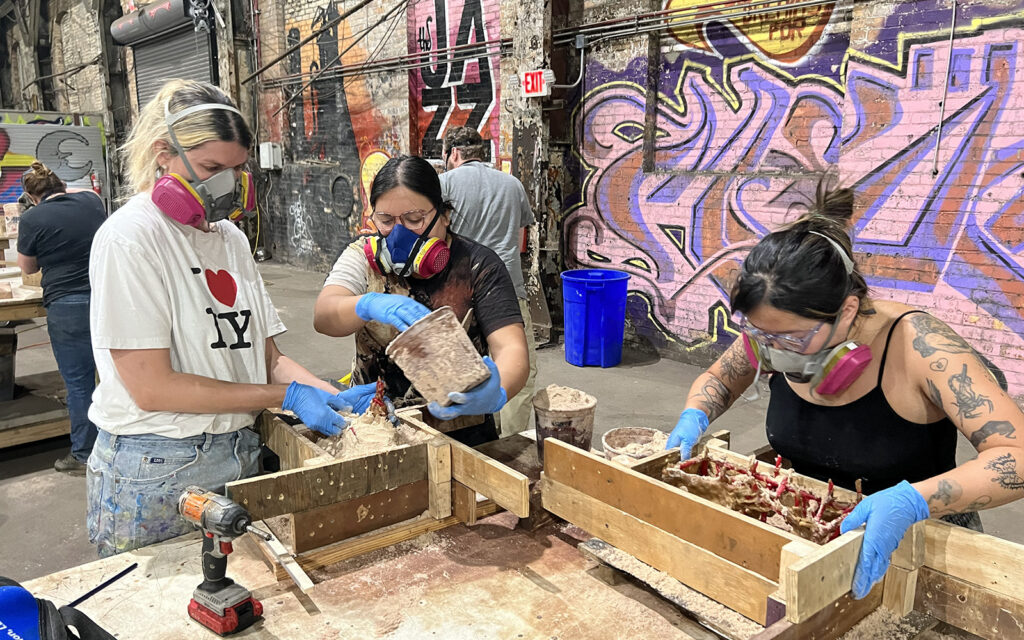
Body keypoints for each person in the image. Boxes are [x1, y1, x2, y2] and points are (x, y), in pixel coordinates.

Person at [666, 184, 1024, 601]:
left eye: (794, 339)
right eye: (761, 334)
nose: (773, 351)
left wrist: (914, 501)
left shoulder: (920, 346)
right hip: (806, 521)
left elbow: (1016, 456)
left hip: (914, 541)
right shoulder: (773, 334)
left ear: (848, 310)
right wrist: (695, 414)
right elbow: (722, 378)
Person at [86, 79, 377, 557]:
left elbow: (265, 356)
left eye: (237, 169)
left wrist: (332, 396)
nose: (225, 184)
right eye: (210, 168)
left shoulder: (230, 240)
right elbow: (152, 387)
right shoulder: (130, 239)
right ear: (164, 154)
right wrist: (286, 396)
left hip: (238, 451)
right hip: (158, 466)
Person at [314, 155, 530, 446]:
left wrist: (498, 389)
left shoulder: (478, 266)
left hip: (460, 429)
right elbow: (324, 316)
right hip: (375, 425)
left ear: (444, 214)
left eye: (414, 220)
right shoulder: (361, 257)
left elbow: (511, 349)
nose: (398, 233)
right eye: (386, 221)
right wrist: (366, 304)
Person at [440, 126, 537, 436]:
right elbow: (522, 235)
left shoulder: (443, 185)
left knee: (457, 376)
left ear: (453, 154)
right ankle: (511, 447)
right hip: (509, 291)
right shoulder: (512, 185)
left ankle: (468, 444)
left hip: (458, 297)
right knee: (518, 372)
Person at [17, 162, 106, 475]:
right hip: (106, 299)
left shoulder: (31, 218)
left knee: (79, 383)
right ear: (61, 185)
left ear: (30, 195)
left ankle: (84, 453)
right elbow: (81, 192)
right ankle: (121, 446)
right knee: (114, 374)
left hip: (66, 304)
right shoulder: (91, 201)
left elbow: (27, 268)